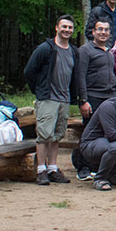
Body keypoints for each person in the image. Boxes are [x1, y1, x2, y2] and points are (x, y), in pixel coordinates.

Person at [24, 14, 79, 185]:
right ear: (57, 28)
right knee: (44, 135)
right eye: (64, 27)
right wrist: (39, 91)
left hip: (64, 99)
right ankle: (41, 170)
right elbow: (29, 71)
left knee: (56, 136)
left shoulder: (73, 51)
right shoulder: (46, 48)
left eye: (70, 27)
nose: (67, 30)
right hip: (48, 98)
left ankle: (52, 169)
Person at [73, 19, 116, 181]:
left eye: (106, 30)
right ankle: (82, 166)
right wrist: (83, 100)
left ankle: (97, 166)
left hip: (109, 97)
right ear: (93, 32)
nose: (103, 32)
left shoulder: (109, 51)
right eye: (100, 29)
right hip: (92, 97)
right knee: (89, 133)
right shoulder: (85, 50)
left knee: (106, 133)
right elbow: (80, 76)